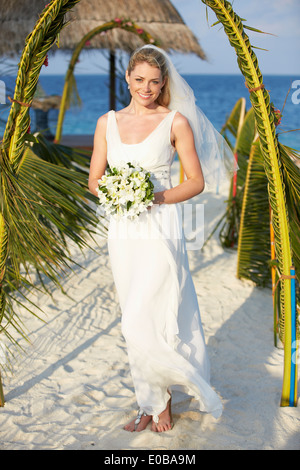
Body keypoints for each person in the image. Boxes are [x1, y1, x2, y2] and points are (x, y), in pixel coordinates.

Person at [89, 45, 231, 433]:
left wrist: (151, 197)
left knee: (147, 313)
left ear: (163, 82)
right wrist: (119, 193)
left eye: (154, 81)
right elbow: (94, 179)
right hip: (123, 230)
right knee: (132, 315)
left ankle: (160, 401)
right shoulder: (107, 123)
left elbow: (196, 182)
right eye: (139, 80)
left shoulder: (175, 122)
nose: (146, 88)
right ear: (128, 80)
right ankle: (149, 399)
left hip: (160, 227)